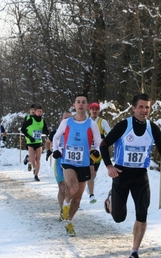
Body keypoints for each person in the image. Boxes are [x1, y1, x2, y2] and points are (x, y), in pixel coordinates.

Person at [100, 93, 161, 258]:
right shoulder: (123, 126)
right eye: (141, 107)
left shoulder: (153, 128)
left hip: (140, 176)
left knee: (142, 213)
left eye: (147, 107)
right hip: (121, 174)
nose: (144, 110)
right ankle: (111, 200)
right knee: (119, 218)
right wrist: (109, 166)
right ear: (133, 108)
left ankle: (134, 251)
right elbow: (103, 145)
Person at [52, 94, 102, 236]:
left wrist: (96, 152)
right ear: (74, 105)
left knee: (78, 199)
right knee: (72, 187)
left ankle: (69, 222)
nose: (81, 104)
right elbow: (56, 137)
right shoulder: (67, 122)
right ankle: (66, 205)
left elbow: (98, 144)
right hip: (68, 162)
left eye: (83, 102)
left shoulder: (92, 124)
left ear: (87, 106)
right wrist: (56, 151)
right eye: (78, 102)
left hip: (84, 164)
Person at [45, 111, 72, 220]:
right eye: (65, 118)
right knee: (62, 187)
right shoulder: (55, 132)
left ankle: (67, 206)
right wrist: (48, 151)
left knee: (70, 188)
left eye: (69, 119)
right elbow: (47, 142)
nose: (67, 121)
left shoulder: (75, 132)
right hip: (59, 162)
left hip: (71, 163)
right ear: (61, 120)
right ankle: (62, 212)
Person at [86, 102, 111, 204]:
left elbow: (110, 134)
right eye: (93, 109)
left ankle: (89, 185)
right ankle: (92, 195)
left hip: (99, 153)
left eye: (96, 109)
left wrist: (104, 142)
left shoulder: (102, 122)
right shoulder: (86, 122)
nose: (94, 111)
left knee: (93, 174)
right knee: (91, 172)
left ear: (99, 111)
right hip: (88, 152)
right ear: (89, 110)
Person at [21, 105, 49, 181]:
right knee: (32, 159)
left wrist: (49, 134)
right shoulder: (30, 120)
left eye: (41, 111)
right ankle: (28, 158)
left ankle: (36, 175)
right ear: (35, 112)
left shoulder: (43, 121)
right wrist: (29, 137)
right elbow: (23, 129)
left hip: (38, 141)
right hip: (30, 141)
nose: (39, 113)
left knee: (38, 159)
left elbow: (45, 130)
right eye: (38, 111)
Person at [23, 104, 36, 171]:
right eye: (31, 110)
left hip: (37, 139)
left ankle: (28, 159)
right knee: (33, 155)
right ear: (29, 111)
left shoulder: (39, 118)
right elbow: (23, 128)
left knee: (34, 155)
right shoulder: (27, 118)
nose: (33, 111)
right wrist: (28, 136)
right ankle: (34, 169)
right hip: (29, 138)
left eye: (34, 110)